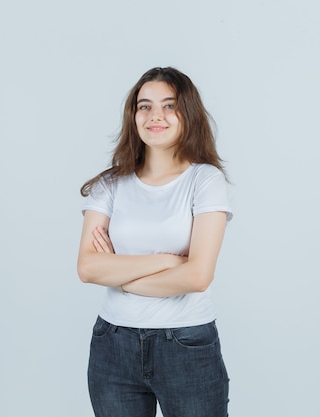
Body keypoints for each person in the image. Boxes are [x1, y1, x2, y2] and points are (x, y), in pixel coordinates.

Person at [77, 66, 232, 417]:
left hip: (186, 344)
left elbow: (196, 278)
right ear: (133, 116)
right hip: (112, 344)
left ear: (187, 114)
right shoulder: (110, 184)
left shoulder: (205, 181)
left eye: (169, 105)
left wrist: (120, 276)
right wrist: (168, 261)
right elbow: (87, 268)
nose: (155, 116)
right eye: (144, 106)